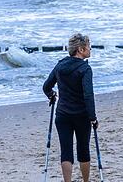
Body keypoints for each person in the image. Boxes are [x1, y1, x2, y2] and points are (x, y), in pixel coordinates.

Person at [42, 33, 98, 182]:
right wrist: (93, 117)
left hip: (62, 115)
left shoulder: (60, 65)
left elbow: (47, 86)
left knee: (66, 151)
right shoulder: (85, 69)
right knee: (83, 150)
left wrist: (51, 94)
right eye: (88, 47)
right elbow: (88, 95)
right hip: (81, 115)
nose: (90, 49)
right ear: (80, 49)